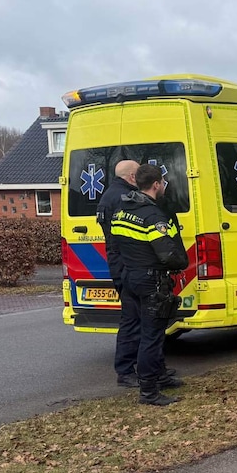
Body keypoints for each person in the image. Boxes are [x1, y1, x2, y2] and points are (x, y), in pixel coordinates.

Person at [109, 163, 189, 406]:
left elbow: (117, 245)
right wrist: (181, 261)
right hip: (151, 281)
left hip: (130, 278)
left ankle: (158, 377)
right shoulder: (152, 216)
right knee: (151, 337)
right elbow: (168, 254)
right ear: (156, 185)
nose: (164, 186)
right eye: (163, 183)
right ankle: (149, 391)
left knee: (141, 331)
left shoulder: (122, 210)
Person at [97, 160, 142, 388]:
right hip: (128, 264)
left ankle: (136, 368)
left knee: (135, 319)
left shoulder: (109, 195)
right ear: (132, 176)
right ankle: (125, 371)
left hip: (119, 263)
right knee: (132, 320)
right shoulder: (125, 198)